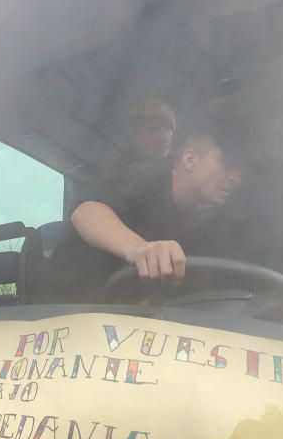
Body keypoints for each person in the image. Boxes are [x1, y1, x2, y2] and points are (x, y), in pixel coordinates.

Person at [35, 116, 243, 303]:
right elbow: (86, 211)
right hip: (57, 313)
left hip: (123, 326)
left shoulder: (201, 225)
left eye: (240, 170)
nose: (236, 178)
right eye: (225, 163)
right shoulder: (143, 177)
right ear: (190, 160)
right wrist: (140, 249)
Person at [126, 95, 176, 162]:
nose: (165, 137)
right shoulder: (121, 171)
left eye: (168, 129)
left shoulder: (181, 165)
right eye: (155, 130)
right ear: (135, 135)